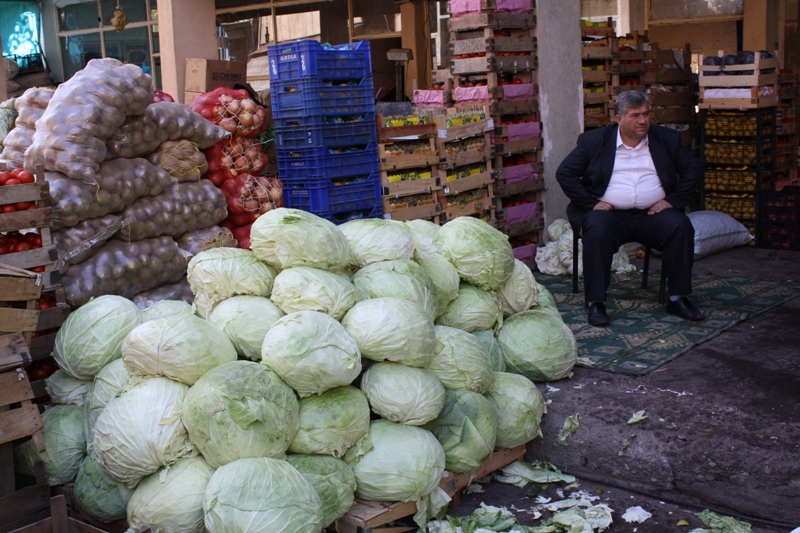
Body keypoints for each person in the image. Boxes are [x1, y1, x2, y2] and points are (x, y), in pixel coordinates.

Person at [556, 90, 705, 327]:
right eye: (635, 115)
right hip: (611, 215)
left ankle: (678, 297)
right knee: (596, 228)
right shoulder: (594, 141)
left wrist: (673, 201)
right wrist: (591, 204)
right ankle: (596, 302)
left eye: (646, 114)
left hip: (652, 214)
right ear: (619, 119)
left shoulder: (666, 139)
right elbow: (565, 173)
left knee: (680, 226)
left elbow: (693, 169)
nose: (643, 121)